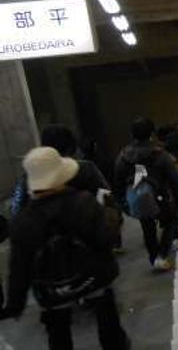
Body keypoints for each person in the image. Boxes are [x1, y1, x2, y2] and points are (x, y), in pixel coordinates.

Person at [0, 147, 129, 350]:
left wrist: (15, 305)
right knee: (109, 322)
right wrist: (111, 212)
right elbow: (107, 236)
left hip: (51, 290)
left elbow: (19, 267)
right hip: (93, 279)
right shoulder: (83, 202)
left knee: (57, 333)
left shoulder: (23, 222)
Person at [114, 117, 178, 271]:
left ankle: (154, 258)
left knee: (147, 227)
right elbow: (176, 178)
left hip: (137, 197)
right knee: (171, 220)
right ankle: (161, 255)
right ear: (152, 133)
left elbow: (118, 179)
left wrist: (123, 202)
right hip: (160, 196)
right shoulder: (159, 153)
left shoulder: (124, 155)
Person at [11, 124, 109, 217]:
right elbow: (107, 198)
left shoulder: (32, 176)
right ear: (71, 148)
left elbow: (16, 210)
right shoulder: (86, 169)